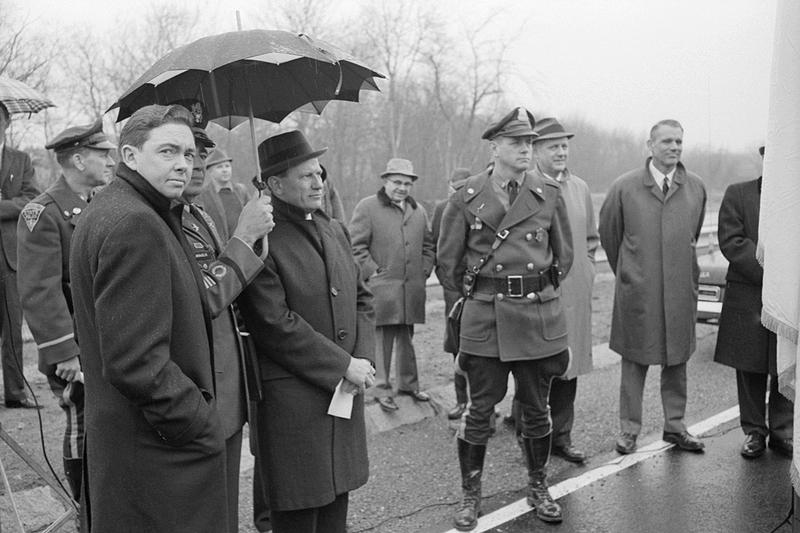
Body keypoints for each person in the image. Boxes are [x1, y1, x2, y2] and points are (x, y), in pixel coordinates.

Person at [69, 104, 228, 532]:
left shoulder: (127, 209)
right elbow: (136, 362)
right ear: (130, 156)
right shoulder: (134, 222)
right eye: (168, 151)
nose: (183, 164)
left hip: (137, 446)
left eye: (190, 154)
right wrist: (198, 422)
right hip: (156, 453)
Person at [437, 106, 573, 528]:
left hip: (536, 316)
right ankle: (470, 496)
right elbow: (448, 263)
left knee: (536, 409)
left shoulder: (547, 192)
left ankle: (538, 485)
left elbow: (562, 258)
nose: (526, 150)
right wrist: (482, 295)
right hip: (487, 319)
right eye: (516, 143)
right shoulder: (465, 196)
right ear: (494, 147)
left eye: (530, 143)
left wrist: (533, 293)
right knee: (480, 411)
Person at [238, 129, 375, 533]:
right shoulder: (262, 241)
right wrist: (343, 365)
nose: (318, 183)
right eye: (306, 177)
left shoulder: (334, 229)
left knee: (336, 508)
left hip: (344, 395)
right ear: (275, 185)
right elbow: (274, 324)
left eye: (320, 174)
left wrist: (362, 358)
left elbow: (362, 298)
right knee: (299, 513)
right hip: (293, 406)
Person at [182, 126, 274, 531]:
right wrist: (244, 235)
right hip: (199, 388)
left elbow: (228, 281)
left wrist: (256, 238)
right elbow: (204, 298)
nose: (198, 164)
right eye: (186, 154)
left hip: (226, 385)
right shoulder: (166, 221)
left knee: (224, 511)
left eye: (203, 153)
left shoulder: (196, 214)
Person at [16, 121, 114, 499]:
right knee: (82, 422)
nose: (110, 160)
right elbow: (40, 291)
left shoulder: (97, 204)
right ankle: (83, 507)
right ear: (77, 159)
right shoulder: (42, 213)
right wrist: (64, 353)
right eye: (102, 153)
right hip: (74, 350)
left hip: (102, 338)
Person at [599, 119, 707, 455]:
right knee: (634, 361)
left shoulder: (696, 187)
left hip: (678, 291)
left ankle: (675, 426)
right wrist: (630, 273)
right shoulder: (625, 187)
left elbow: (693, 232)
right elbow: (609, 234)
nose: (674, 148)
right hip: (638, 292)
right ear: (650, 145)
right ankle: (629, 430)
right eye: (666, 142)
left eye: (679, 142)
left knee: (677, 360)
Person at [714, 145, 793, 459]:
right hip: (748, 294)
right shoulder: (738, 193)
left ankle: (782, 432)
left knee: (783, 363)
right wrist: (773, 273)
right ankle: (754, 433)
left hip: (786, 298)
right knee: (750, 368)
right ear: (763, 160)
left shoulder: (793, 200)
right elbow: (731, 240)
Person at [531, 117, 599, 463]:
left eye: (564, 146)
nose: (560, 152)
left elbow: (590, 239)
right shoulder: (526, 188)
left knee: (568, 365)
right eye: (552, 146)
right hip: (539, 295)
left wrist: (585, 270)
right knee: (537, 368)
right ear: (535, 150)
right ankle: (533, 440)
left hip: (574, 291)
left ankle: (562, 437)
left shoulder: (580, 188)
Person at [349, 158, 436, 412]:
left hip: (411, 289)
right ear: (385, 181)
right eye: (397, 182)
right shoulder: (367, 207)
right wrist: (374, 272)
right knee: (382, 340)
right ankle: (381, 390)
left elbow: (428, 245)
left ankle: (409, 385)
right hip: (382, 289)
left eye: (407, 183)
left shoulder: (418, 210)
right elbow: (355, 247)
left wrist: (423, 270)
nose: (402, 187)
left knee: (406, 338)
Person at [0, 102, 40, 409]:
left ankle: (15, 393)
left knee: (13, 327)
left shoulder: (21, 159)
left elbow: (30, 198)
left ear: (7, 122)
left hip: (9, 256)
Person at [432, 167, 472, 420]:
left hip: (480, 286)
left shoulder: (483, 205)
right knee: (457, 344)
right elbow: (439, 247)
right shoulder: (441, 209)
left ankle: (484, 404)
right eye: (455, 188)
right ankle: (461, 400)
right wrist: (448, 283)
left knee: (484, 346)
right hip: (453, 289)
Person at [199, 148, 250, 241]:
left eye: (227, 166)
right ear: (210, 171)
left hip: (245, 244)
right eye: (219, 167)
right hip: (219, 247)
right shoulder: (203, 195)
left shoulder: (241, 190)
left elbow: (251, 215)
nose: (225, 170)